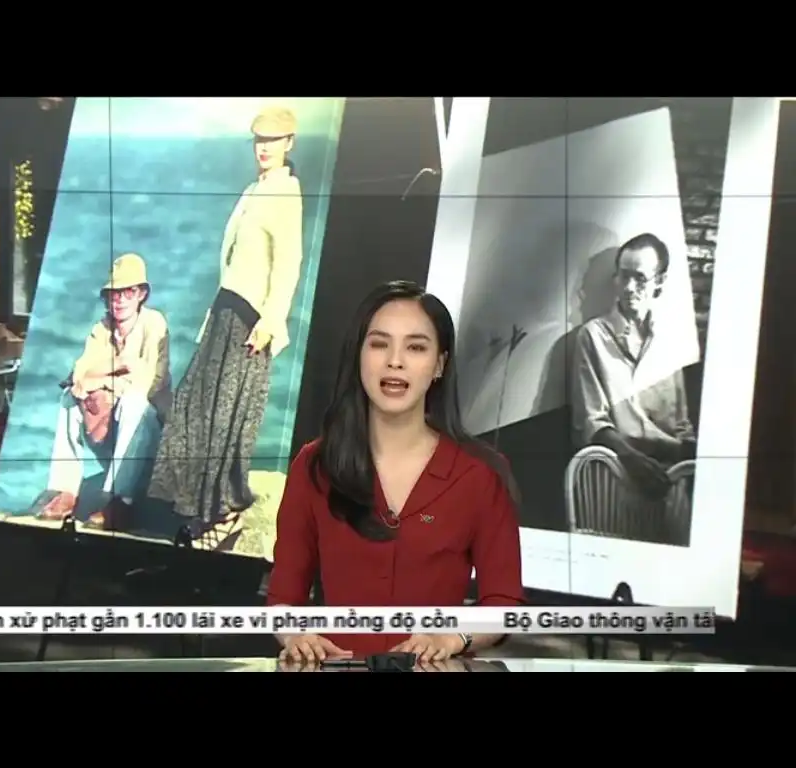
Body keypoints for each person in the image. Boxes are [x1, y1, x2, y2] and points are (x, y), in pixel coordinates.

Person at [267, 280, 524, 663]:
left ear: (439, 365)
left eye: (416, 347)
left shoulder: (481, 475)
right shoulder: (315, 465)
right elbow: (283, 598)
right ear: (359, 355)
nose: (395, 361)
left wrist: (454, 638)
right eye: (379, 344)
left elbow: (504, 603)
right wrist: (296, 636)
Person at [148, 106, 304, 550]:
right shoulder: (255, 189)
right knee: (195, 408)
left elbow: (288, 262)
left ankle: (222, 511)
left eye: (273, 141)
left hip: (251, 319)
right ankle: (193, 509)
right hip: (224, 312)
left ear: (289, 143)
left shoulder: (286, 192)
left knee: (227, 417)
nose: (264, 149)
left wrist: (270, 321)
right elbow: (233, 261)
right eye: (259, 140)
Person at [37, 253, 171, 529]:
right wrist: (118, 368)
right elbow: (78, 377)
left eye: (128, 291)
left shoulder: (154, 323)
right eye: (113, 294)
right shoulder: (102, 328)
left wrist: (100, 381)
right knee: (68, 399)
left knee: (133, 403)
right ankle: (66, 491)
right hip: (111, 430)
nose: (119, 300)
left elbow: (148, 382)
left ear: (141, 294)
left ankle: (119, 500)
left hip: (149, 440)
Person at [571, 233, 696, 501]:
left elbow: (681, 423)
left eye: (639, 278)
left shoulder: (671, 341)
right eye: (623, 276)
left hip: (670, 476)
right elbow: (591, 421)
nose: (628, 287)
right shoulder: (593, 336)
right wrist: (631, 459)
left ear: (659, 282)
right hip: (616, 474)